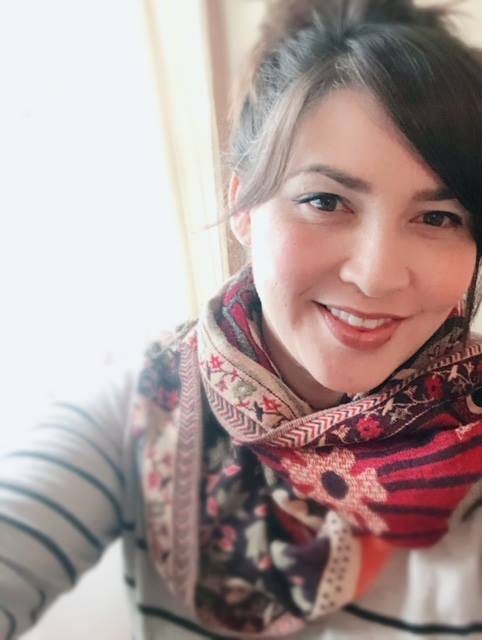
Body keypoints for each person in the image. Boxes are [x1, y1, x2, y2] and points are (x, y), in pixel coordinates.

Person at [1, 0, 482, 638]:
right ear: (244, 209)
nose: (376, 276)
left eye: (438, 217)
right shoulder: (144, 410)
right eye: (325, 201)